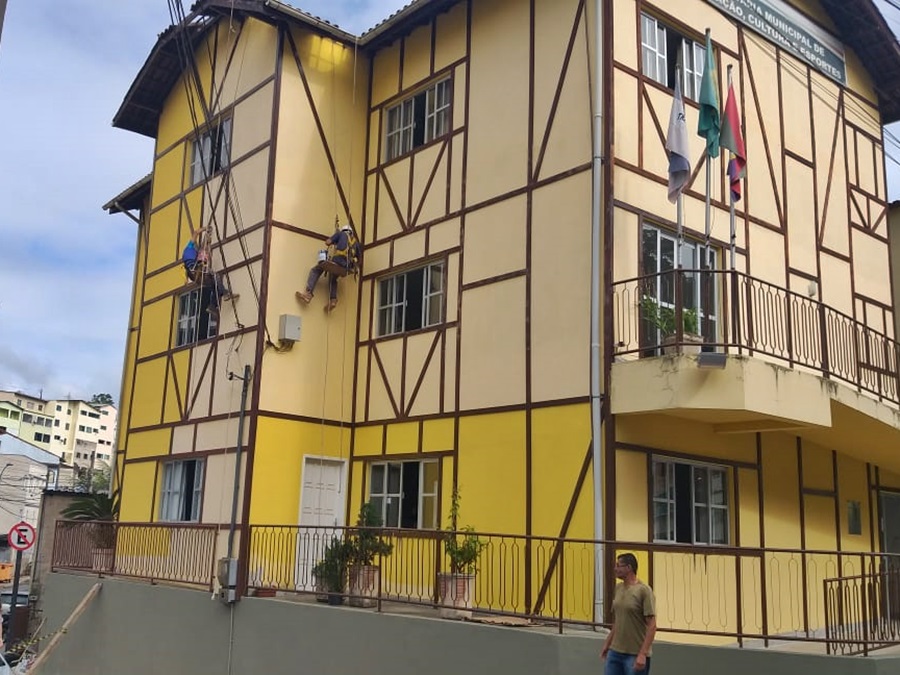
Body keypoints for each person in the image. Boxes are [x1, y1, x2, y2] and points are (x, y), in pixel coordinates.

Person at [600, 553, 657, 674]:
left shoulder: (644, 591)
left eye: (618, 565)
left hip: (634, 654)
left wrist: (642, 654)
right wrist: (607, 643)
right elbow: (618, 620)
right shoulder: (618, 588)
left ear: (629, 567)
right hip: (615, 652)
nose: (615, 569)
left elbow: (652, 626)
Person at [296, 223, 361, 312]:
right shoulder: (356, 243)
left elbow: (327, 242)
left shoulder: (340, 234)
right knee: (333, 278)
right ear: (351, 233)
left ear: (344, 231)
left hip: (338, 261)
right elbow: (359, 259)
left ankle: (308, 293)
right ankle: (333, 300)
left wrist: (335, 239)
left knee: (316, 270)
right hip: (346, 267)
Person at [182, 229, 231, 315]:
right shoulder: (191, 248)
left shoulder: (187, 254)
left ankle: (212, 305)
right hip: (198, 273)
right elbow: (196, 233)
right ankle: (224, 292)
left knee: (214, 286)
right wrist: (205, 228)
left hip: (195, 277)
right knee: (216, 276)